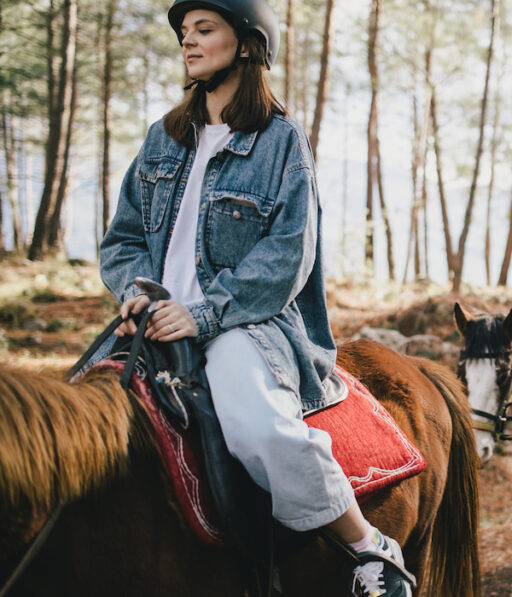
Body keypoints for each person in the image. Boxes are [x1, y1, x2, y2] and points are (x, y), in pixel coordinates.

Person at [98, 1, 411, 595]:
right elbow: (124, 237)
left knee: (258, 429)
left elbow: (287, 256)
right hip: (154, 320)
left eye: (204, 30)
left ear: (245, 44)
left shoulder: (281, 143)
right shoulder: (161, 139)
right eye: (184, 32)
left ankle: (369, 548)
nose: (188, 42)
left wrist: (202, 313)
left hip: (247, 322)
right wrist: (136, 291)